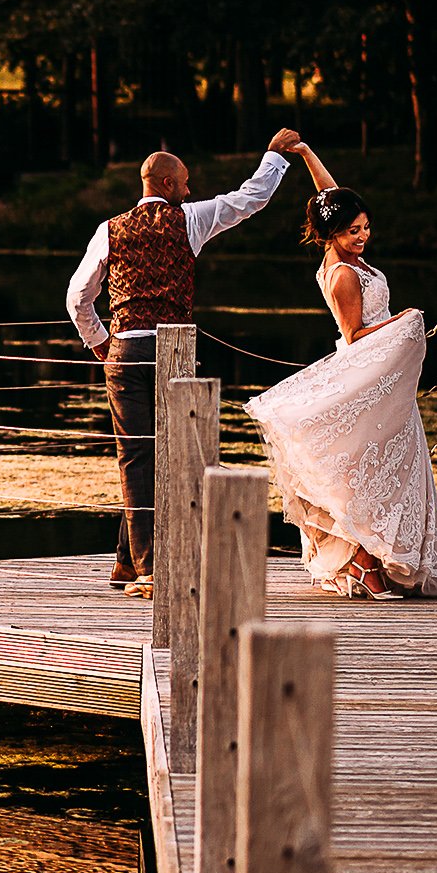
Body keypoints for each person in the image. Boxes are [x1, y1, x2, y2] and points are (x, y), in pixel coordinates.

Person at [66, 128, 303, 597]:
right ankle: (151, 567)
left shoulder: (108, 229)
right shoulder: (190, 220)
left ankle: (126, 564)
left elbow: (77, 297)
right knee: (166, 456)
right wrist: (274, 157)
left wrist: (100, 341)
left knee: (139, 455)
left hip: (126, 349)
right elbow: (248, 200)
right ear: (169, 186)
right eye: (187, 182)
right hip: (175, 353)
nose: (191, 190)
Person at [242, 142, 437, 599]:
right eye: (352, 231)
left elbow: (332, 194)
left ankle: (375, 560)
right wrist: (404, 321)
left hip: (381, 378)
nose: (362, 236)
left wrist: (307, 153)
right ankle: (363, 561)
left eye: (365, 227)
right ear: (333, 234)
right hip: (363, 374)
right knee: (362, 469)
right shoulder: (343, 274)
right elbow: (353, 333)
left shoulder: (348, 253)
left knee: (386, 466)